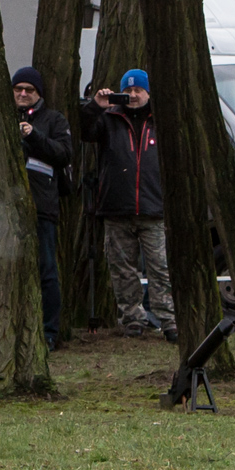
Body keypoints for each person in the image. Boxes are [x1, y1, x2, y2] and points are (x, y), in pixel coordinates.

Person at [82, 69, 177, 342]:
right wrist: (96, 107)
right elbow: (85, 132)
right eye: (129, 90)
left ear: (148, 92)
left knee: (161, 267)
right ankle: (132, 318)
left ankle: (168, 319)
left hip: (153, 208)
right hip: (116, 207)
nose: (134, 95)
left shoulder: (159, 121)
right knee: (122, 270)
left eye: (139, 90)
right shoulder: (109, 119)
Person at [13, 66, 72, 350]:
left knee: (46, 270)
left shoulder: (54, 120)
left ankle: (49, 333)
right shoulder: (2, 117)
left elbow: (64, 154)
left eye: (29, 90)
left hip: (42, 207)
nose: (23, 94)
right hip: (6, 208)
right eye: (18, 89)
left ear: (38, 94)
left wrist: (34, 135)